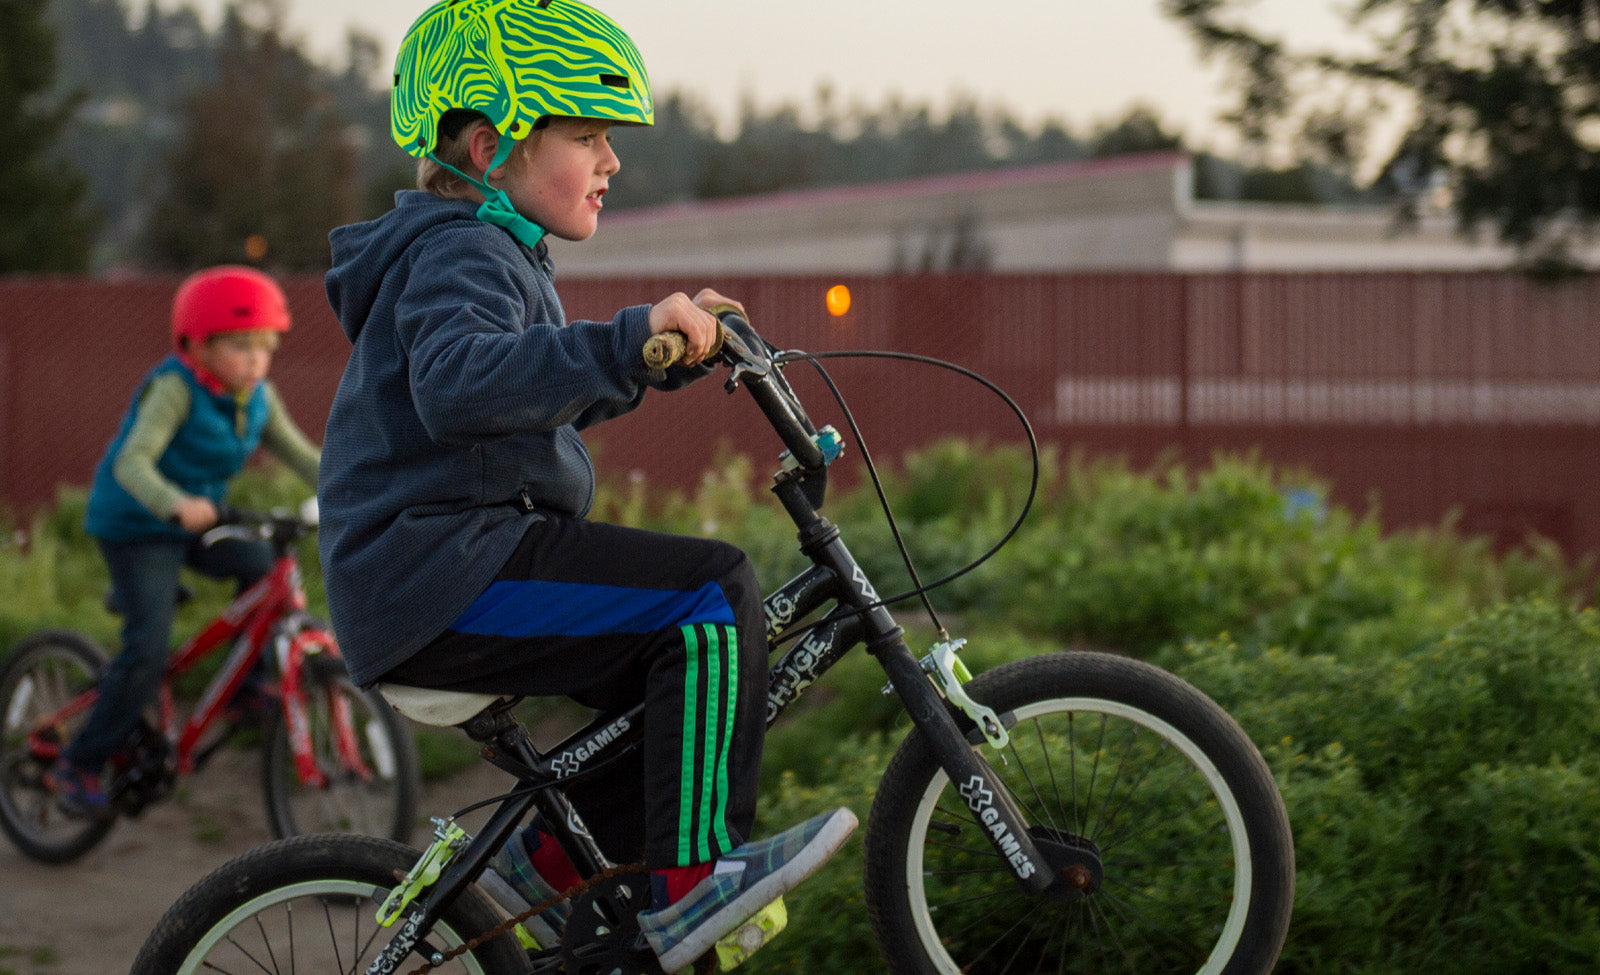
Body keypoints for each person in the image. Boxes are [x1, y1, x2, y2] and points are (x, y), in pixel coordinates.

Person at [316, 0, 855, 969]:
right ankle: (692, 887)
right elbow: (462, 385)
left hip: (445, 565)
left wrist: (657, 355)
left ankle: (545, 865)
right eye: (587, 136)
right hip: (438, 575)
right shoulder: (459, 251)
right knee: (709, 595)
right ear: (491, 150)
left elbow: (525, 387)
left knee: (667, 672)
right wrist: (627, 339)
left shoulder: (492, 247)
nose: (611, 161)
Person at [48, 266, 322, 817]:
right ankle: (77, 763)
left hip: (200, 521)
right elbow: (131, 462)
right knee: (147, 650)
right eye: (240, 347)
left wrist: (358, 491)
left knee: (261, 565)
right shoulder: (174, 388)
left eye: (265, 347)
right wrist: (174, 503)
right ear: (197, 345)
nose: (255, 361)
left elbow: (303, 456)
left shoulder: (258, 397)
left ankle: (246, 690)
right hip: (137, 524)